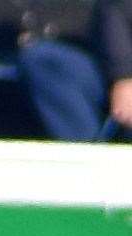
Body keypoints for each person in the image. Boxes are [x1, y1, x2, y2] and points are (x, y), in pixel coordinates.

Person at [18, 1, 132, 139]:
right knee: (46, 60)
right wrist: (123, 75)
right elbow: (116, 7)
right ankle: (86, 154)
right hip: (112, 70)